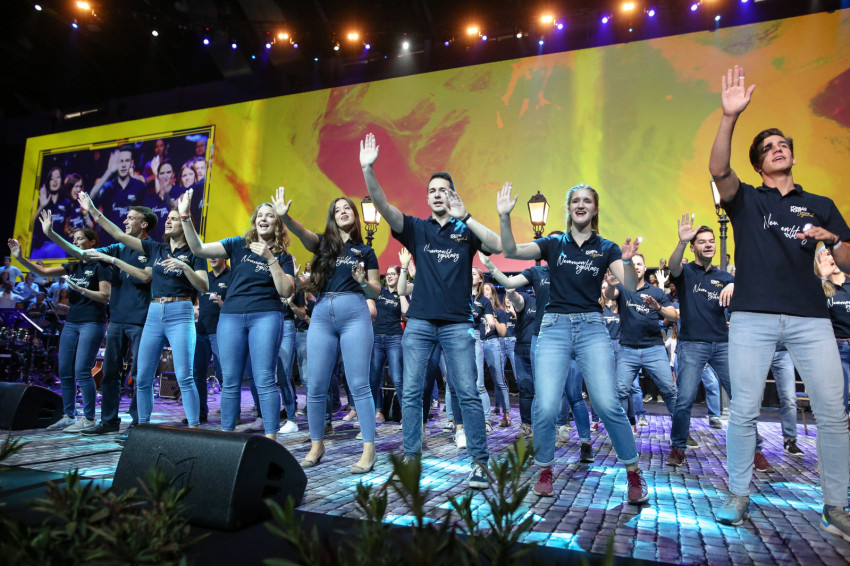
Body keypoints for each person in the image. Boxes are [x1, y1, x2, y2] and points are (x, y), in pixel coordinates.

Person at [708, 66, 850, 535]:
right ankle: (738, 494)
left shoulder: (821, 204)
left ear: (792, 154)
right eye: (768, 147)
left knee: (833, 413)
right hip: (753, 317)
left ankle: (835, 507)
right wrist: (729, 117)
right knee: (744, 410)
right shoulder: (747, 200)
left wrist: (833, 239)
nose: (777, 148)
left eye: (782, 144)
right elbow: (718, 171)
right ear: (758, 165)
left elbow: (847, 260)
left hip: (811, 318)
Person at [360, 133, 502, 489]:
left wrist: (466, 216)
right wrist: (367, 169)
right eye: (432, 191)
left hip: (456, 324)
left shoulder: (465, 230)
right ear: (427, 198)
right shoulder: (418, 229)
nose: (437, 194)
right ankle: (411, 459)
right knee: (411, 392)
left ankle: (480, 463)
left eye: (444, 190)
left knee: (467, 393)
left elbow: (498, 246)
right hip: (420, 323)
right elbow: (383, 206)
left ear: (453, 195)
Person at [498, 182, 648, 504]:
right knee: (546, 405)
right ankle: (544, 468)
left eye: (587, 201)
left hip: (592, 327)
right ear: (569, 208)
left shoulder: (606, 248)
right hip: (554, 327)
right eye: (575, 201)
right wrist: (505, 216)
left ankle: (633, 472)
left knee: (606, 404)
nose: (581, 205)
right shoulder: (553, 243)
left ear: (595, 209)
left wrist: (626, 261)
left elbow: (631, 286)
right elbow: (511, 251)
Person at [79, 191, 207, 428]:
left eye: (175, 219)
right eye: (168, 218)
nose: (168, 221)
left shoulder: (195, 253)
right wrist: (94, 211)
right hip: (155, 312)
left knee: (185, 376)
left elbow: (203, 286)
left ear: (185, 225)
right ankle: (142, 429)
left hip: (180, 311)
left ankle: (194, 428)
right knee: (143, 377)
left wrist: (184, 267)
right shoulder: (156, 249)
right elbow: (118, 234)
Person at [180, 188, 295, 439]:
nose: (264, 218)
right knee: (230, 380)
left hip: (265, 316)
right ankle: (227, 438)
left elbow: (286, 290)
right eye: (260, 215)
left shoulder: (283, 257)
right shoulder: (237, 245)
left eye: (270, 215)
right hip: (231, 316)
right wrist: (186, 217)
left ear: (278, 224)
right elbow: (198, 249)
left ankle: (271, 438)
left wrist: (270, 258)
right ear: (254, 222)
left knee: (264, 379)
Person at [280, 186, 379, 472]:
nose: (343, 212)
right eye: (337, 210)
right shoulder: (323, 244)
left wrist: (362, 282)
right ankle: (317, 445)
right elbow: (302, 234)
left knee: (359, 384)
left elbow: (375, 291)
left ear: (355, 215)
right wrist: (285, 218)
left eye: (347, 208)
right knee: (315, 385)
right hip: (323, 314)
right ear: (332, 218)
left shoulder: (366, 251)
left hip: (355, 313)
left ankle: (369, 450)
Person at [39, 206, 157, 436]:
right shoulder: (117, 247)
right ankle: (109, 421)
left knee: (140, 374)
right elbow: (82, 254)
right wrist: (51, 233)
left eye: (131, 218)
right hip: (117, 320)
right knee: (110, 373)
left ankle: (138, 425)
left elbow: (146, 276)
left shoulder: (152, 248)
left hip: (141, 320)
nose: (125, 221)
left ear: (144, 224)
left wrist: (111, 258)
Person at [8, 229, 111, 432]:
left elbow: (105, 296)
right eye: (74, 239)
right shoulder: (73, 266)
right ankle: (69, 415)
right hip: (71, 323)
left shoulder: (101, 265)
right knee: (64, 369)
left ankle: (89, 418)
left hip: (92, 322)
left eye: (80, 239)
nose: (75, 242)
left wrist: (81, 290)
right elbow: (43, 272)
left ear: (92, 242)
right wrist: (20, 258)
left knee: (82, 370)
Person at [665, 217, 741, 467]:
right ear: (693, 247)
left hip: (722, 344)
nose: (708, 245)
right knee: (685, 399)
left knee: (741, 398)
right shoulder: (686, 273)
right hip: (693, 344)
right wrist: (681, 242)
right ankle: (678, 447)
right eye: (702, 242)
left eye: (711, 241)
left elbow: (746, 292)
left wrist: (735, 285)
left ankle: (755, 449)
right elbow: (674, 266)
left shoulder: (725, 277)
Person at [603, 253, 679, 424]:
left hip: (654, 349)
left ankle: (681, 431)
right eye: (632, 264)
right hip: (628, 349)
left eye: (639, 264)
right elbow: (610, 295)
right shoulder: (623, 288)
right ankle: (622, 432)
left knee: (669, 390)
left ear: (645, 268)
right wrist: (610, 285)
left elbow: (674, 316)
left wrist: (658, 307)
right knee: (620, 392)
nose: (636, 267)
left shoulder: (656, 292)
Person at [366, 260, 408, 425]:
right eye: (388, 274)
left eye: (393, 274)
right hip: (376, 337)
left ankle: (407, 415)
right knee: (374, 378)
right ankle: (377, 412)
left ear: (399, 277)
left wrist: (402, 293)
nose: (389, 276)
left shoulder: (402, 294)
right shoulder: (379, 292)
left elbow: (405, 315)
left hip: (394, 338)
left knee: (397, 378)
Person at [192, 257, 230, 425]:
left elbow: (237, 304)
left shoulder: (232, 276)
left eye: (216, 255)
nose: (212, 258)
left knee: (224, 375)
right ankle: (200, 414)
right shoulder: (204, 277)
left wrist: (223, 303)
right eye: (210, 255)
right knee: (197, 375)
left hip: (221, 332)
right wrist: (194, 309)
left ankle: (231, 414)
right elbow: (195, 300)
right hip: (201, 332)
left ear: (225, 257)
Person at [816, 244, 850, 415]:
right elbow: (814, 312)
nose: (833, 258)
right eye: (828, 254)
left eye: (836, 254)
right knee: (839, 398)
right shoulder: (819, 287)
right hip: (837, 347)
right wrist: (822, 278)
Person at [90, 149, 148, 235]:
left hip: (131, 238)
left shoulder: (139, 186)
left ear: (131, 163)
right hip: (110, 238)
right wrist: (109, 171)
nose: (123, 165)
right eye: (120, 161)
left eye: (127, 161)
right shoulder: (108, 186)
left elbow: (145, 216)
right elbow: (91, 196)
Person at [480, 280, 510, 425]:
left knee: (499, 381)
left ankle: (506, 414)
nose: (484, 292)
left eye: (487, 290)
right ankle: (483, 415)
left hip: (492, 344)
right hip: (477, 343)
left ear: (492, 293)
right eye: (483, 289)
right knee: (478, 382)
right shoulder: (477, 308)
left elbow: (503, 332)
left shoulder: (499, 311)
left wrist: (492, 318)